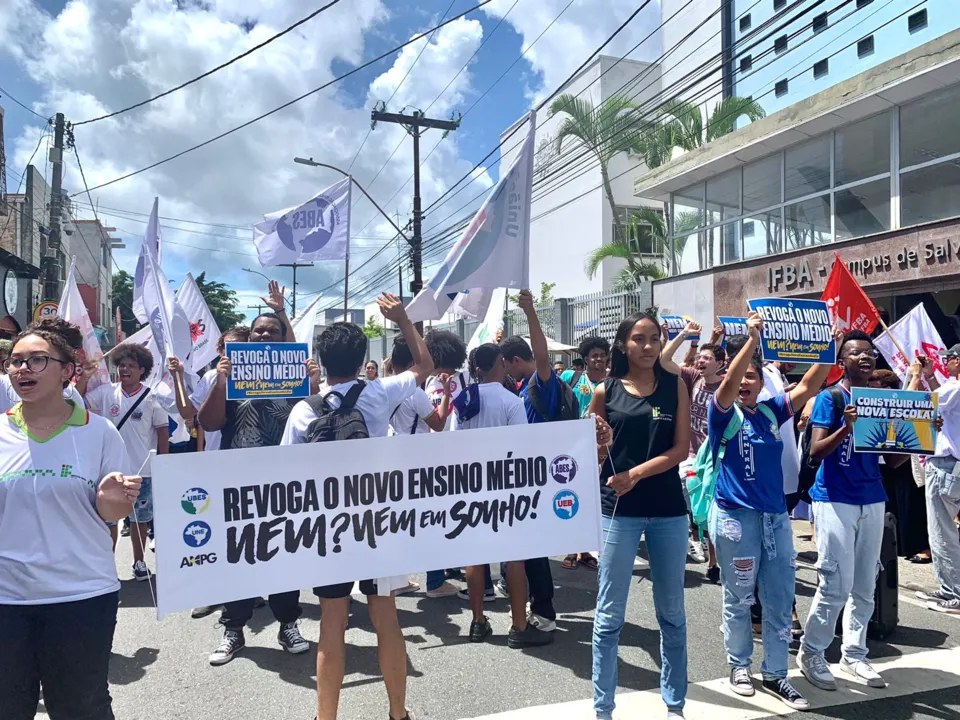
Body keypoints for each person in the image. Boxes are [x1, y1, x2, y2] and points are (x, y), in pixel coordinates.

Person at [281, 293, 430, 720]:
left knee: (332, 626)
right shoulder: (379, 394)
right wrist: (402, 319)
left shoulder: (302, 412)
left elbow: (285, 475)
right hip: (377, 525)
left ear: (321, 360)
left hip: (329, 531)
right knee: (386, 620)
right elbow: (424, 366)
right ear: (363, 356)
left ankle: (325, 717)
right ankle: (398, 714)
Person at [0, 318, 141, 720]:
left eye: (37, 360)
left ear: (68, 371)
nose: (22, 369)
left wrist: (113, 499)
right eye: (16, 361)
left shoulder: (100, 433)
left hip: (80, 597)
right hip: (6, 600)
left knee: (80, 707)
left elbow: (112, 515)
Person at [707, 313, 832, 709]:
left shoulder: (769, 412)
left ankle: (777, 675)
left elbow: (812, 383)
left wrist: (828, 343)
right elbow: (726, 385)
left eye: (752, 378)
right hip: (735, 519)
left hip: (775, 520)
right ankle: (739, 666)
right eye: (740, 376)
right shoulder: (722, 413)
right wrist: (752, 339)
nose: (744, 382)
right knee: (739, 597)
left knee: (779, 598)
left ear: (762, 384)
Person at [198, 309, 318, 666]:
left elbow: (314, 421)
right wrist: (221, 383)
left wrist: (312, 386)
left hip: (284, 481)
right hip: (239, 480)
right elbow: (208, 422)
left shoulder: (295, 376)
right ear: (248, 339)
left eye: (272, 332)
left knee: (284, 554)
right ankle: (233, 629)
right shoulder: (231, 375)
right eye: (258, 333)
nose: (264, 337)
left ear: (283, 340)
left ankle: (288, 624)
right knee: (239, 554)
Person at [589, 311, 690, 720]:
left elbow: (681, 449)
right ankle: (603, 709)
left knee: (672, 614)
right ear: (623, 345)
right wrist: (599, 444)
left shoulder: (675, 387)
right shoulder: (604, 390)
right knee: (609, 616)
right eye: (639, 339)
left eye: (654, 338)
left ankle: (675, 705)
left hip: (668, 511)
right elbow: (590, 458)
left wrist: (635, 473)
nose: (648, 346)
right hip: (619, 512)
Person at [798, 330, 909, 691]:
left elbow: (893, 461)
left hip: (872, 498)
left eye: (870, 353)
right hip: (835, 498)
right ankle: (812, 651)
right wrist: (847, 427)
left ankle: (854, 653)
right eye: (856, 353)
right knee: (835, 582)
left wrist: (921, 435)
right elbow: (816, 451)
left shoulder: (881, 399)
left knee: (865, 582)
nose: (865, 357)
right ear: (842, 361)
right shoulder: (831, 397)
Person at [450, 342, 552, 649]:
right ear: (500, 364)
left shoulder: (463, 399)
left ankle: (478, 621)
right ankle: (519, 625)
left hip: (471, 485)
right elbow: (521, 447)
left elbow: (452, 445)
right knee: (515, 558)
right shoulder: (511, 401)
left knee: (474, 557)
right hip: (506, 488)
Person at [497, 289, 564, 628]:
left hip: (541, 473)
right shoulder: (522, 389)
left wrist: (530, 312)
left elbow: (541, 355)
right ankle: (537, 604)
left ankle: (544, 612)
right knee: (530, 546)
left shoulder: (541, 383)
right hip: (527, 473)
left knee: (536, 549)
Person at [80, 343, 169, 582]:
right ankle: (106, 565)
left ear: (142, 370)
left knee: (140, 520)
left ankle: (139, 563)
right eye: (121, 365)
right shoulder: (107, 392)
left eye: (130, 366)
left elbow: (162, 431)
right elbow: (76, 401)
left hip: (142, 471)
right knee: (108, 519)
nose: (124, 370)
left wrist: (164, 462)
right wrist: (85, 377)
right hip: (109, 471)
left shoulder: (152, 397)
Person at [662, 323, 724, 574]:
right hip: (690, 457)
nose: (700, 361)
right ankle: (693, 538)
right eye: (699, 357)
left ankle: (714, 562)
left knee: (709, 509)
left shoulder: (727, 387)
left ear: (720, 363)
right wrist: (684, 335)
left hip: (715, 459)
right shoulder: (692, 378)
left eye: (707, 358)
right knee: (693, 504)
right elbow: (664, 359)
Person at [560, 335, 610, 570]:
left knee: (593, 501)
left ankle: (586, 550)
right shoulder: (571, 377)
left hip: (600, 447)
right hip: (573, 445)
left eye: (602, 354)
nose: (598, 359)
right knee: (572, 496)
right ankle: (571, 548)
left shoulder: (612, 381)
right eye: (594, 355)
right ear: (586, 358)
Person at [871, 368, 932, 563]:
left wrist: (915, 377)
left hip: (905, 461)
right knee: (890, 507)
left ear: (887, 388)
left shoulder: (900, 402)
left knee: (911, 505)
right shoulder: (872, 405)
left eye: (873, 387)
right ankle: (894, 546)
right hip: (881, 463)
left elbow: (909, 401)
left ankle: (920, 546)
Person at [922, 345, 960, 613]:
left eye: (948, 359)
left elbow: (923, 405)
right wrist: (930, 375)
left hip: (946, 465)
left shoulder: (955, 388)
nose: (945, 363)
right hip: (953, 466)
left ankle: (953, 592)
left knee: (942, 531)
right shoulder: (953, 389)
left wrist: (916, 377)